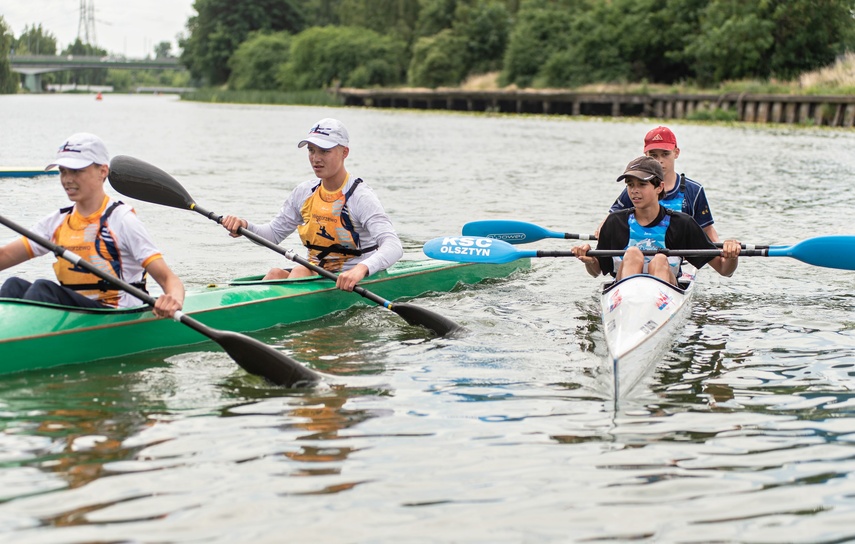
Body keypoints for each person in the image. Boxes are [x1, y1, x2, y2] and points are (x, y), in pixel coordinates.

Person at [0, 133, 184, 318]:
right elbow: (5, 255)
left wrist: (172, 300)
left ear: (103, 171)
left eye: (76, 171)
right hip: (78, 311)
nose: (67, 179)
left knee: (42, 288)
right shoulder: (56, 221)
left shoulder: (122, 220)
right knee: (12, 286)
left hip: (117, 313)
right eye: (63, 171)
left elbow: (169, 279)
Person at [221, 118, 403, 292]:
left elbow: (393, 245)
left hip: (350, 282)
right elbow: (273, 235)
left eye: (324, 151)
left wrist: (361, 269)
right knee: (275, 273)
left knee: (299, 270)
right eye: (311, 150)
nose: (316, 158)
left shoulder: (360, 197)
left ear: (344, 152)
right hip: (314, 276)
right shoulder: (304, 193)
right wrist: (244, 226)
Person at [573, 156, 740, 284]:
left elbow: (725, 270)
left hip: (663, 296)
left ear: (659, 187)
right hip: (624, 296)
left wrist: (731, 255)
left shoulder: (682, 224)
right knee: (632, 254)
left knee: (660, 259)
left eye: (642, 185)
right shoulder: (615, 222)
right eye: (630, 185)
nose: (634, 191)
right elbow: (596, 271)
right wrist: (588, 260)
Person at [601, 126, 719, 242]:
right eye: (653, 155)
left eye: (665, 154)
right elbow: (610, 221)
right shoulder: (635, 190)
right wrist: (601, 229)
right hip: (640, 256)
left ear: (676, 153)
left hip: (680, 259)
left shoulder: (694, 190)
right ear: (646, 155)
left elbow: (707, 229)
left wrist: (723, 253)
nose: (659, 160)